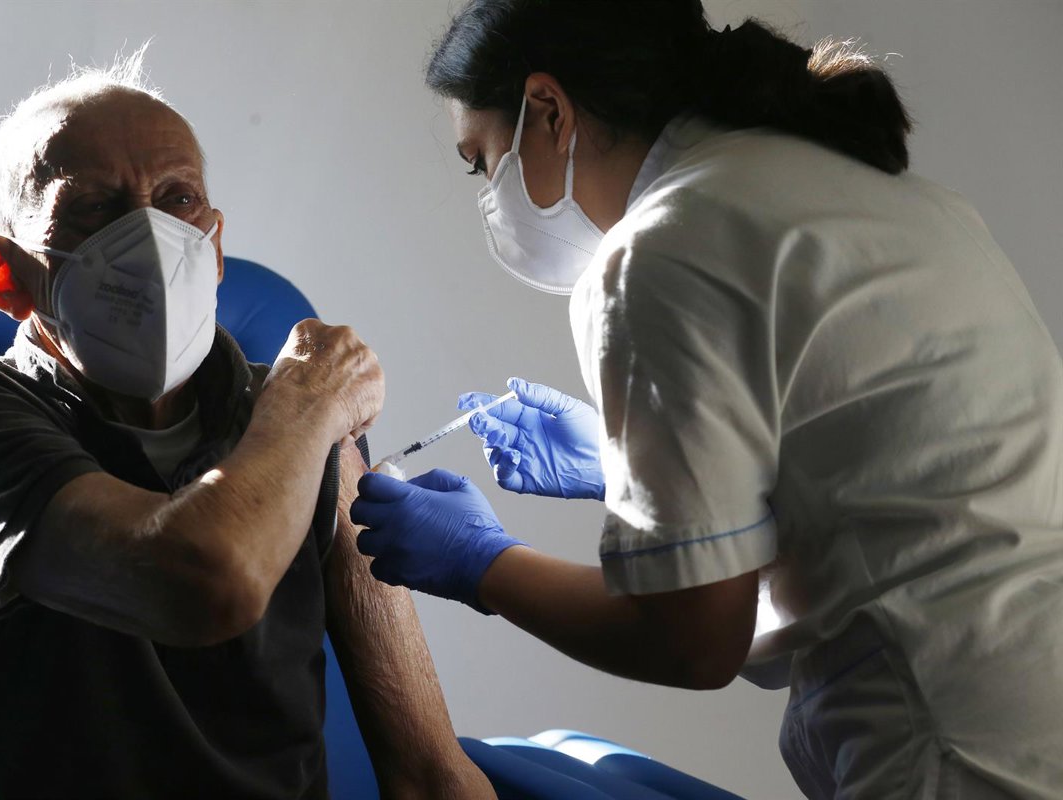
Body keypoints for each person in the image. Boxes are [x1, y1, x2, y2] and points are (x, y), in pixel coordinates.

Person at [350, 1, 1063, 797]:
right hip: (1029, 709)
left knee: (508, 771)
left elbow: (693, 643)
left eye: (480, 161)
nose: (487, 191)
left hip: (965, 753)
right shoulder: (878, 193)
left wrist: (482, 562)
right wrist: (626, 479)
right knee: (558, 752)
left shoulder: (656, 252)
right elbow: (873, 507)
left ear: (548, 109)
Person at [0, 51, 494, 800]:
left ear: (215, 246)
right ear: (3, 275)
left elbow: (428, 771)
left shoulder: (296, 418)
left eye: (178, 199)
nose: (148, 236)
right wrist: (306, 406)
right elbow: (205, 583)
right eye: (94, 207)